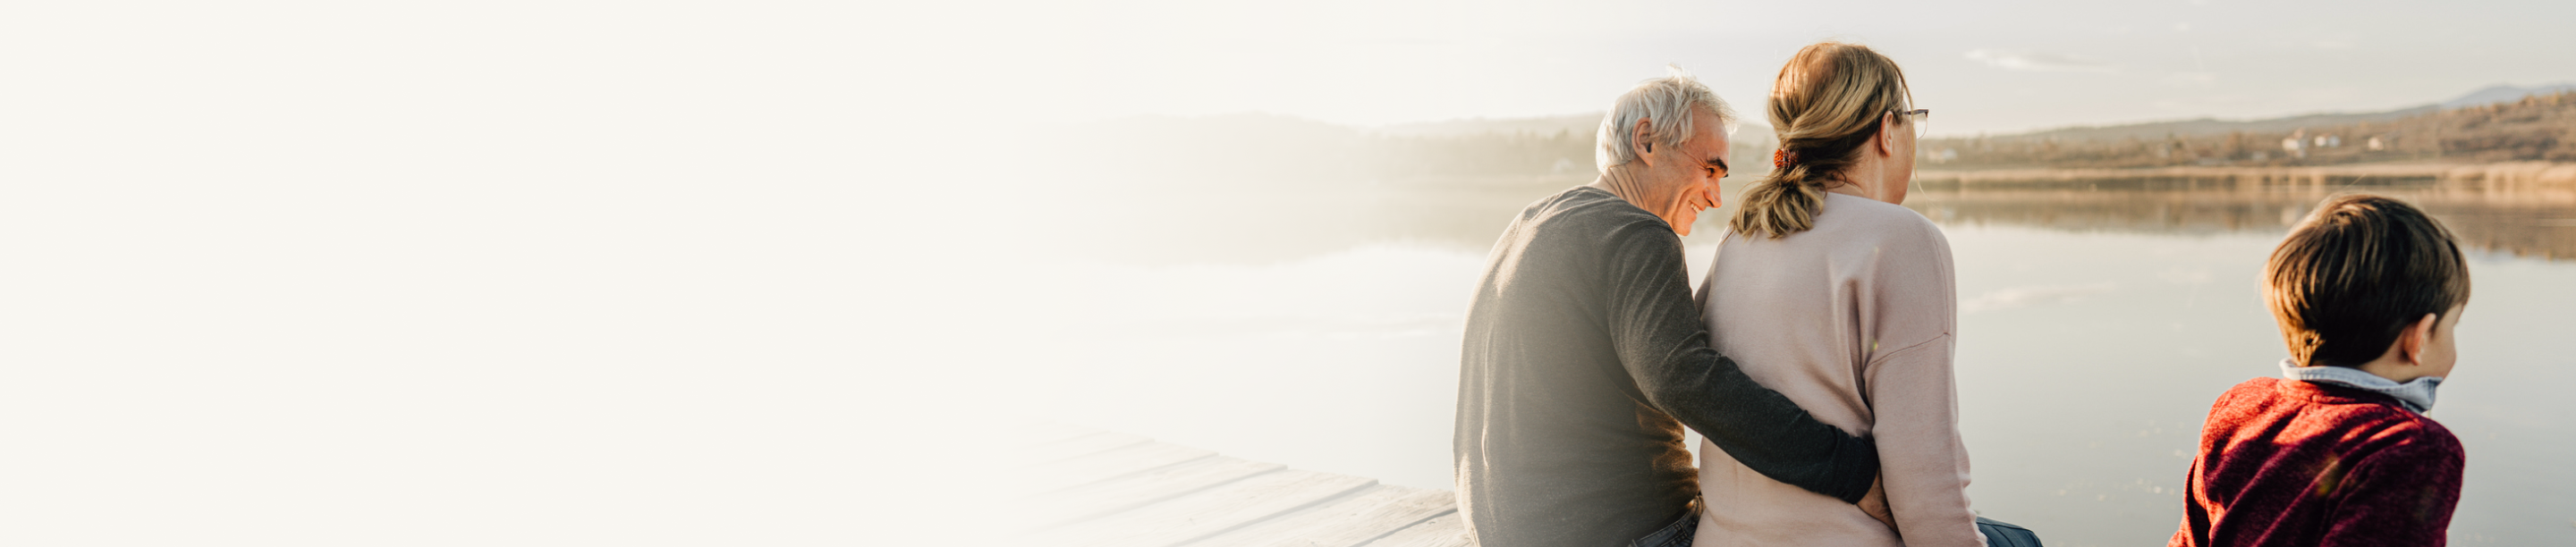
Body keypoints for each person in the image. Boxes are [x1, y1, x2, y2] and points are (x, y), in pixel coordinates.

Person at [1454, 67, 1887, 547]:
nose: (1716, 196)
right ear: (1646, 141)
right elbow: (1683, 377)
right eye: (1710, 168)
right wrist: (1854, 473)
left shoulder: (1534, 221)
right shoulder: (1634, 233)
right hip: (1631, 533)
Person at [1688, 41, 1987, 547]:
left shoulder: (1740, 237)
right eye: (1911, 119)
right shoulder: (1901, 239)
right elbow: (1927, 486)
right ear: (1887, 130)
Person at [2169, 194, 2469, 547]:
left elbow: (2188, 541)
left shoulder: (2240, 405)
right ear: (2418, 338)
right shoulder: (2409, 448)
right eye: (2454, 326)